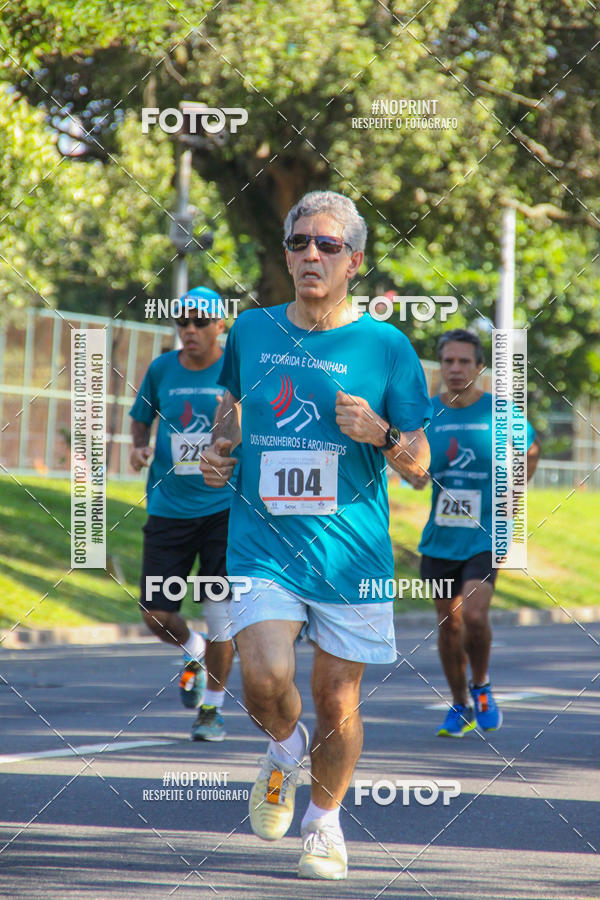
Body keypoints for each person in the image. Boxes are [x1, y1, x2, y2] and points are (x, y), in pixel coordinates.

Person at [200, 191, 432, 880]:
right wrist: (218, 451)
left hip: (351, 555)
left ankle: (324, 824)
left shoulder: (388, 348)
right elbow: (230, 410)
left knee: (338, 698)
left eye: (327, 246)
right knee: (265, 680)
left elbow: (420, 469)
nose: (310, 255)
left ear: (354, 261)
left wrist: (381, 433)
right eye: (299, 243)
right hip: (263, 547)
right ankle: (281, 749)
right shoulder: (251, 332)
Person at [411, 328, 540, 737]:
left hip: (485, 536)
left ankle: (481, 685)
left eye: (463, 361)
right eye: (447, 361)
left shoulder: (500, 413)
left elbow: (530, 449)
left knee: (474, 614)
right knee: (448, 627)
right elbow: (415, 472)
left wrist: (514, 497)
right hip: (441, 537)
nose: (454, 368)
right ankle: (460, 703)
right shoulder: (428, 414)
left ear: (479, 368)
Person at [129, 286, 236, 742]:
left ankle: (211, 709)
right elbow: (141, 415)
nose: (189, 330)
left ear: (219, 326)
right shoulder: (161, 369)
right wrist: (138, 445)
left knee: (220, 615)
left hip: (222, 511)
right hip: (169, 510)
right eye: (182, 323)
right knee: (155, 614)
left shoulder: (235, 372)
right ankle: (192, 650)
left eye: (198, 322)